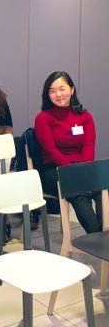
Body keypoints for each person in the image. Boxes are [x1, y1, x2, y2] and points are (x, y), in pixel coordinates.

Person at [34, 71, 100, 233]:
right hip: (53, 169)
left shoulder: (85, 116)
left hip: (81, 167)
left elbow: (88, 146)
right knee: (79, 192)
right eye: (52, 91)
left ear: (72, 89)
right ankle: (97, 237)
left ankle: (103, 236)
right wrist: (73, 171)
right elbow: (51, 150)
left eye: (62, 89)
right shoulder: (43, 118)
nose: (58, 94)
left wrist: (83, 169)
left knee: (102, 187)